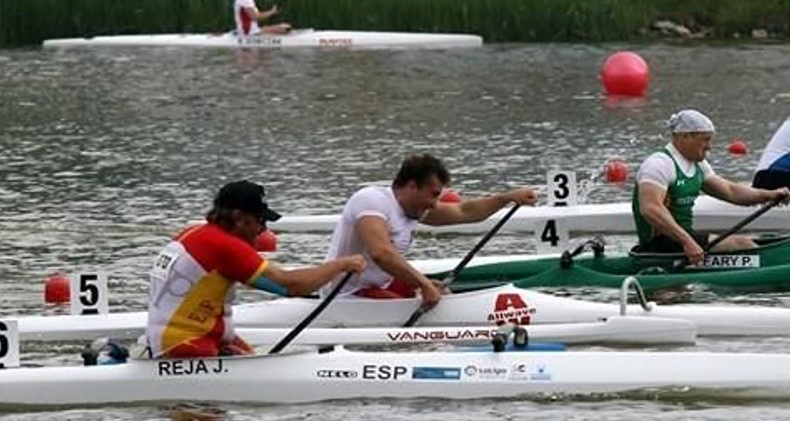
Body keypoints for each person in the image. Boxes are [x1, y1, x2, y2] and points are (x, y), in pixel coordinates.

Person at [145, 180, 365, 359]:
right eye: (260, 221)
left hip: (177, 339)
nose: (262, 230)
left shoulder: (195, 233)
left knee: (249, 354)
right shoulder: (225, 247)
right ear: (239, 218)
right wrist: (341, 264)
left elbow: (282, 283)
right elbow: (291, 287)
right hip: (185, 347)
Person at [326, 153, 538, 310]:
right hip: (345, 295)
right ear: (411, 186)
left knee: (442, 295)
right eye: (434, 194)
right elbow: (381, 253)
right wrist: (422, 283)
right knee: (431, 305)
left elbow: (464, 211)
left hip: (380, 284)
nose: (436, 204)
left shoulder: (414, 208)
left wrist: (507, 198)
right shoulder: (371, 200)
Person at [634, 110, 790, 265]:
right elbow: (650, 209)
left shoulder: (698, 164)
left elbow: (731, 191)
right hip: (659, 244)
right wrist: (688, 242)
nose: (709, 146)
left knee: (752, 243)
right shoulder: (659, 164)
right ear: (684, 137)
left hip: (682, 239)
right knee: (742, 245)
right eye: (705, 140)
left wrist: (769, 195)